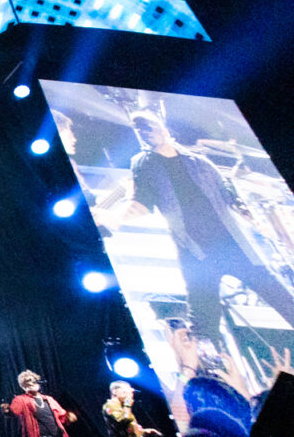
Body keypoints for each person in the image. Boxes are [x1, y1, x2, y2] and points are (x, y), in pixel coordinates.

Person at [115, 111, 294, 358]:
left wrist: (253, 221)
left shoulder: (199, 161)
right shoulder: (144, 163)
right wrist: (115, 217)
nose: (145, 132)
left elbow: (229, 194)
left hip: (234, 245)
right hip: (195, 252)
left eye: (148, 126)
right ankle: (213, 373)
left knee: (282, 299)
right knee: (204, 322)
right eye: (138, 129)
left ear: (162, 126)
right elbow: (142, 200)